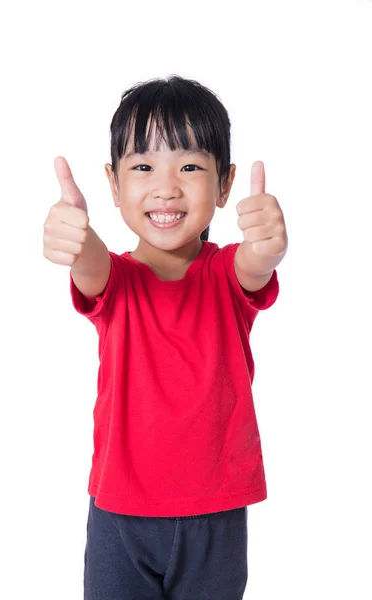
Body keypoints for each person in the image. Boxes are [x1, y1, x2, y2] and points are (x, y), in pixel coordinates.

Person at [43, 75, 288, 600]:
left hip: (215, 516)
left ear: (225, 184)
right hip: (118, 517)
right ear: (114, 184)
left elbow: (255, 265)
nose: (167, 186)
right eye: (143, 167)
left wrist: (267, 243)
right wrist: (77, 237)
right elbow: (89, 267)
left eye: (191, 166)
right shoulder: (116, 279)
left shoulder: (227, 275)